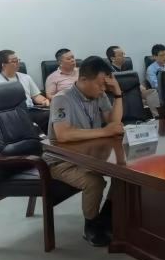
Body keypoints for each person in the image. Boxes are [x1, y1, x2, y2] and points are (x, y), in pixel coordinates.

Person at [48, 56, 123, 247]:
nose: (103, 89)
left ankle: (106, 217)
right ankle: (91, 226)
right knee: (93, 182)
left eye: (105, 85)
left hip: (90, 156)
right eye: (100, 84)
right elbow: (63, 134)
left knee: (124, 175)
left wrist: (118, 94)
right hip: (62, 161)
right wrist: (104, 131)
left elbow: (114, 124)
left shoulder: (100, 96)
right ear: (83, 79)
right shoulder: (62, 99)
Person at [0, 49, 50, 133]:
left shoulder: (26, 77)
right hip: (12, 114)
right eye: (14, 61)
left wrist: (44, 100)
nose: (18, 63)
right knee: (47, 116)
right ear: (3, 65)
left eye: (18, 60)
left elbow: (35, 96)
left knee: (52, 114)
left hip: (31, 110)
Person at [106, 45, 160, 117]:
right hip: (120, 95)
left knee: (152, 92)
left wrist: (140, 86)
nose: (124, 56)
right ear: (112, 58)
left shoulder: (127, 68)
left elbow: (134, 82)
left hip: (134, 92)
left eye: (123, 54)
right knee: (143, 100)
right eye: (121, 55)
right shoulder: (108, 72)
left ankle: (157, 117)